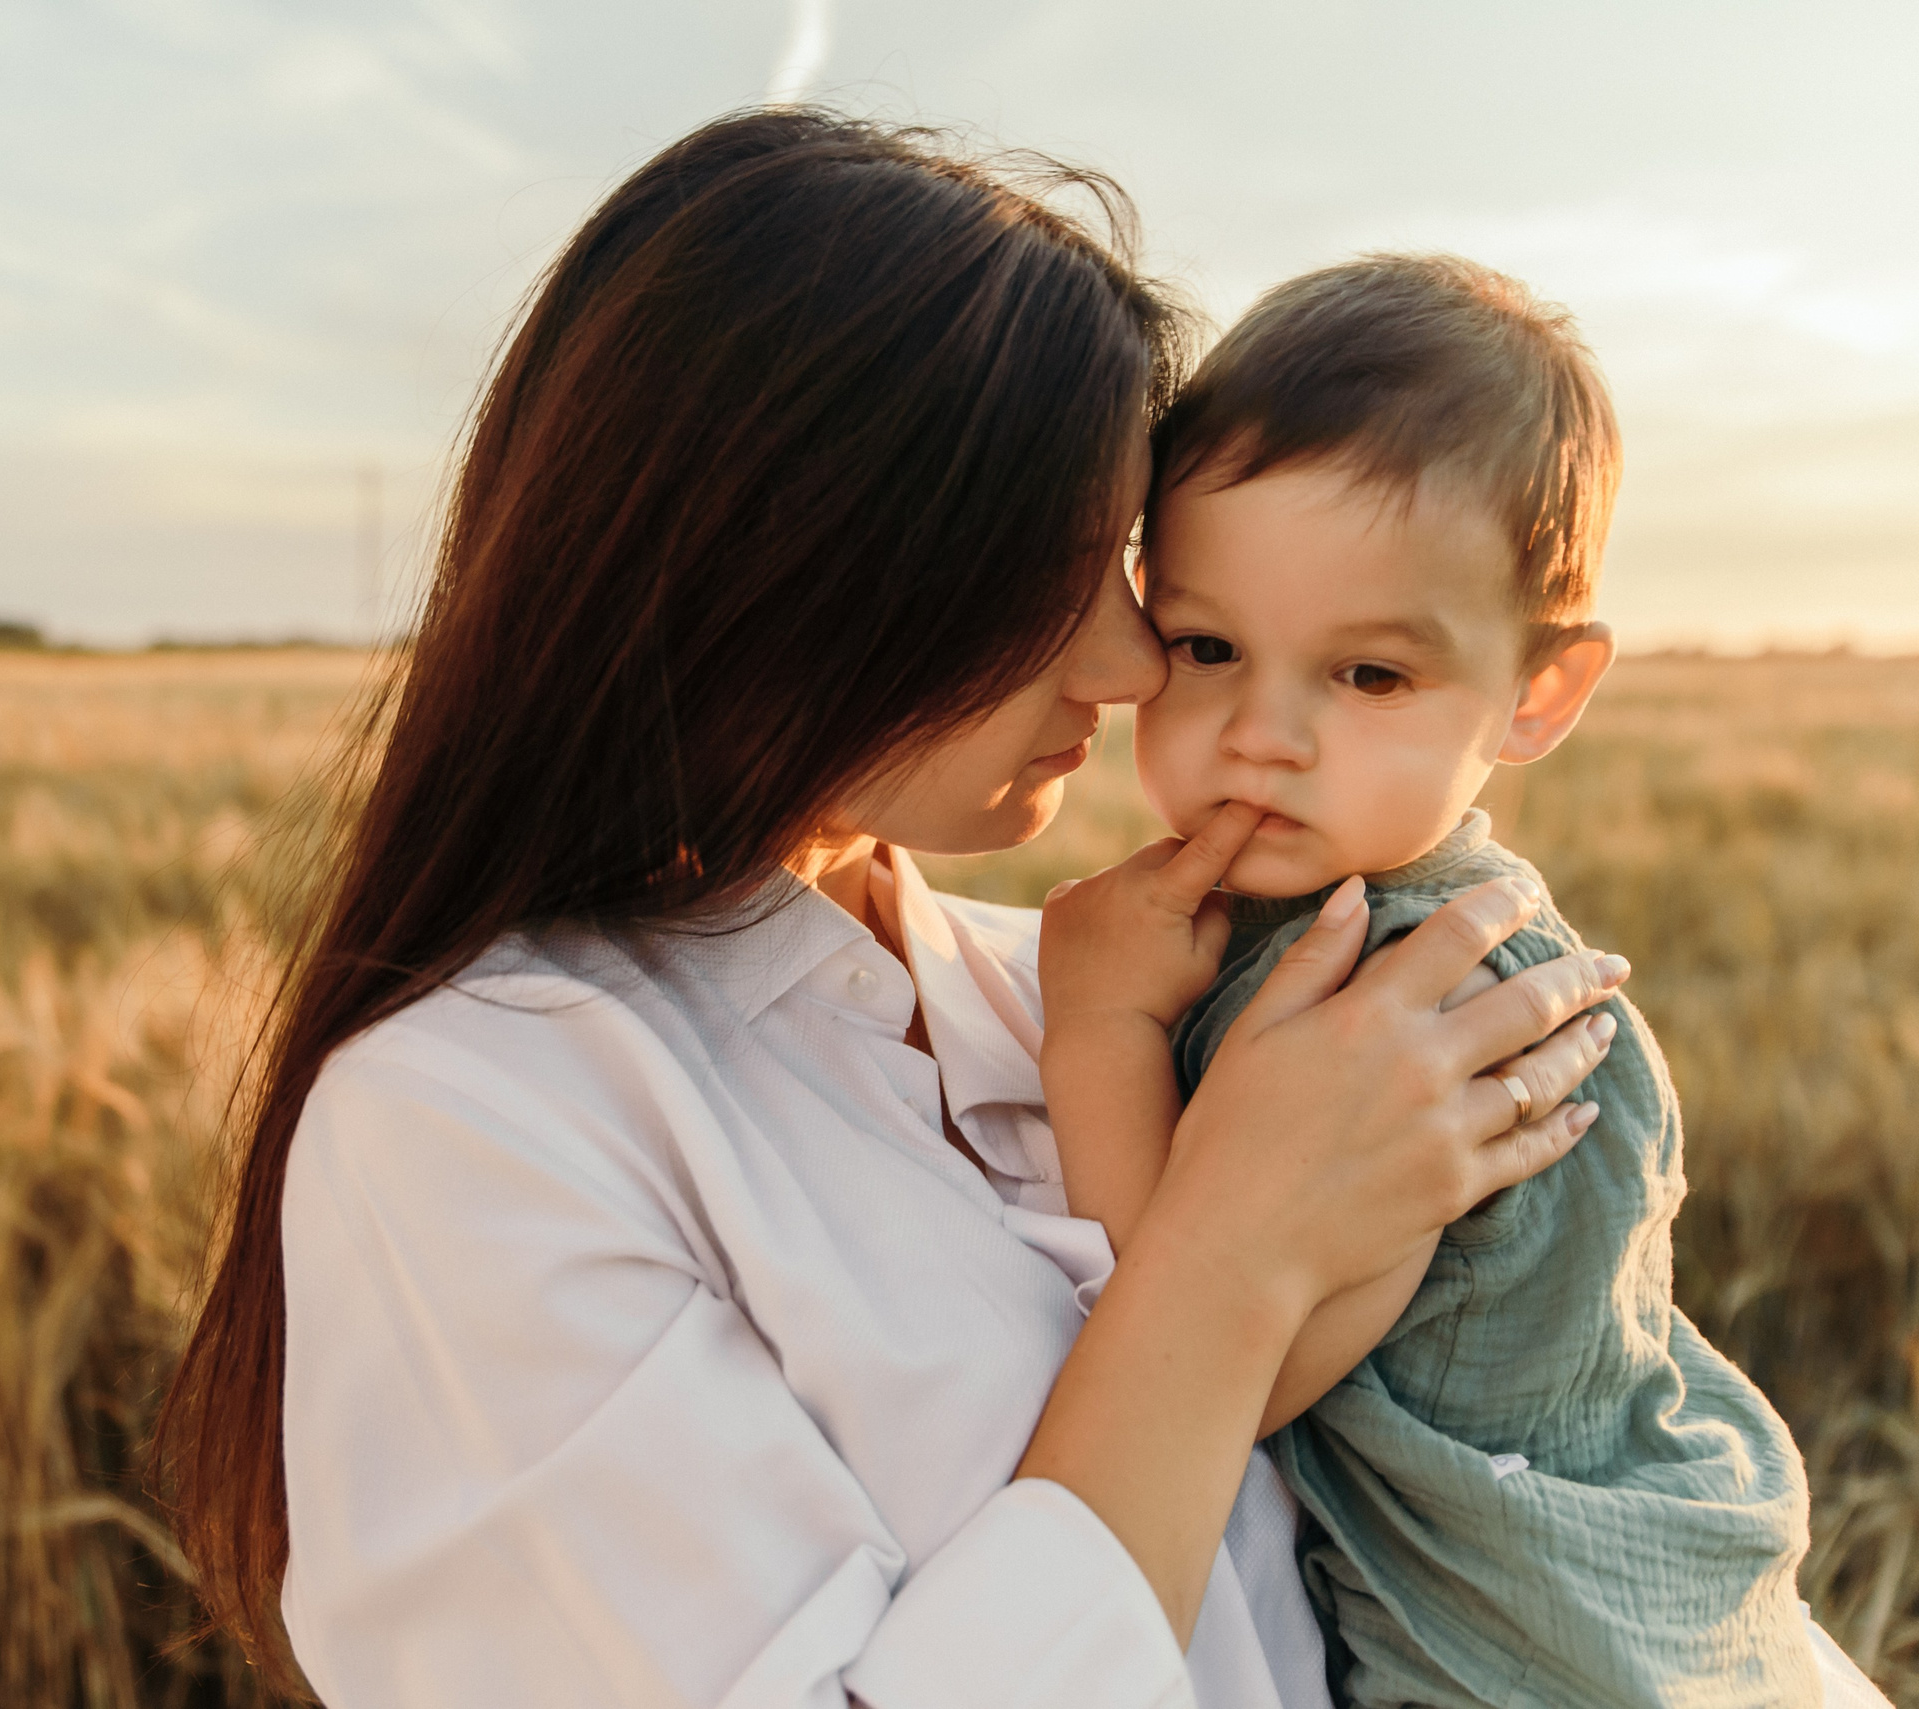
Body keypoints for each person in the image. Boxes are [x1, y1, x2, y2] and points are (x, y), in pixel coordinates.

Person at [153, 112, 1627, 1708]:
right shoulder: (475, 1121)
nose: (1137, 665)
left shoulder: (1081, 995)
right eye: (1057, 566)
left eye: (1134, 570)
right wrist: (1234, 1252)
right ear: (792, 566)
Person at [1044, 254, 1882, 1704]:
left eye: (1368, 676)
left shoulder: (1401, 1003)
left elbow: (1235, 1358)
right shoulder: (1372, 921)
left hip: (1531, 1657)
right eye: (1208, 645)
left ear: (1539, 694)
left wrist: (1105, 1030)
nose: (1265, 732)